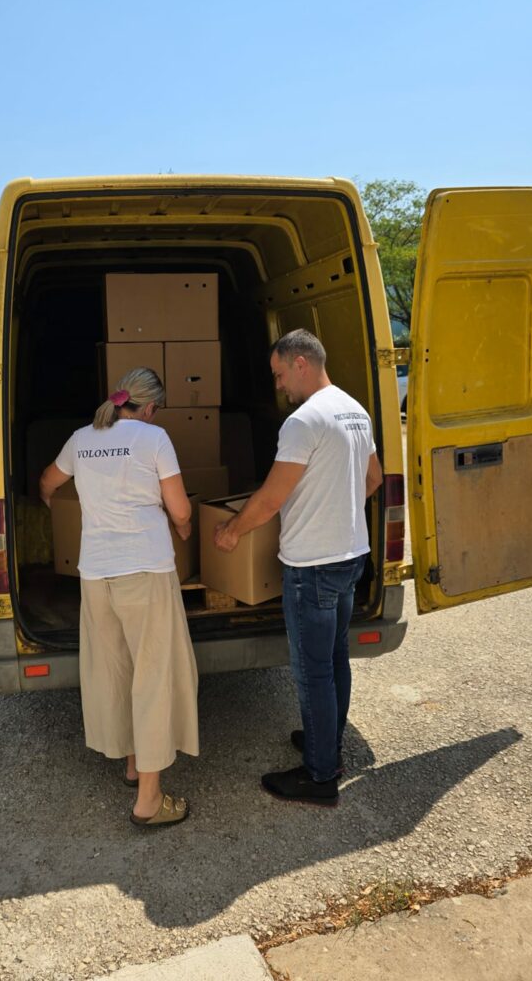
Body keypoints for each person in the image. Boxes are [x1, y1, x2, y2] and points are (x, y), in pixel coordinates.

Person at [213, 329, 382, 807]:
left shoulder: (303, 422)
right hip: (350, 556)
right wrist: (336, 508)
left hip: (312, 568)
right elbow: (372, 479)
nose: (280, 385)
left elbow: (269, 500)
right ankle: (325, 743)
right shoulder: (354, 409)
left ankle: (320, 775)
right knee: (333, 660)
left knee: (312, 673)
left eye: (280, 373)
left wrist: (231, 533)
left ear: (302, 362)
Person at [39, 367, 198, 828]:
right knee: (153, 677)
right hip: (145, 572)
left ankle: (133, 764)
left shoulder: (80, 439)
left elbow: (48, 484)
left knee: (118, 670)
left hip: (96, 575)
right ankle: (149, 801)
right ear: (148, 408)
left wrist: (67, 519)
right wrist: (184, 528)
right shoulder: (154, 439)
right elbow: (181, 509)